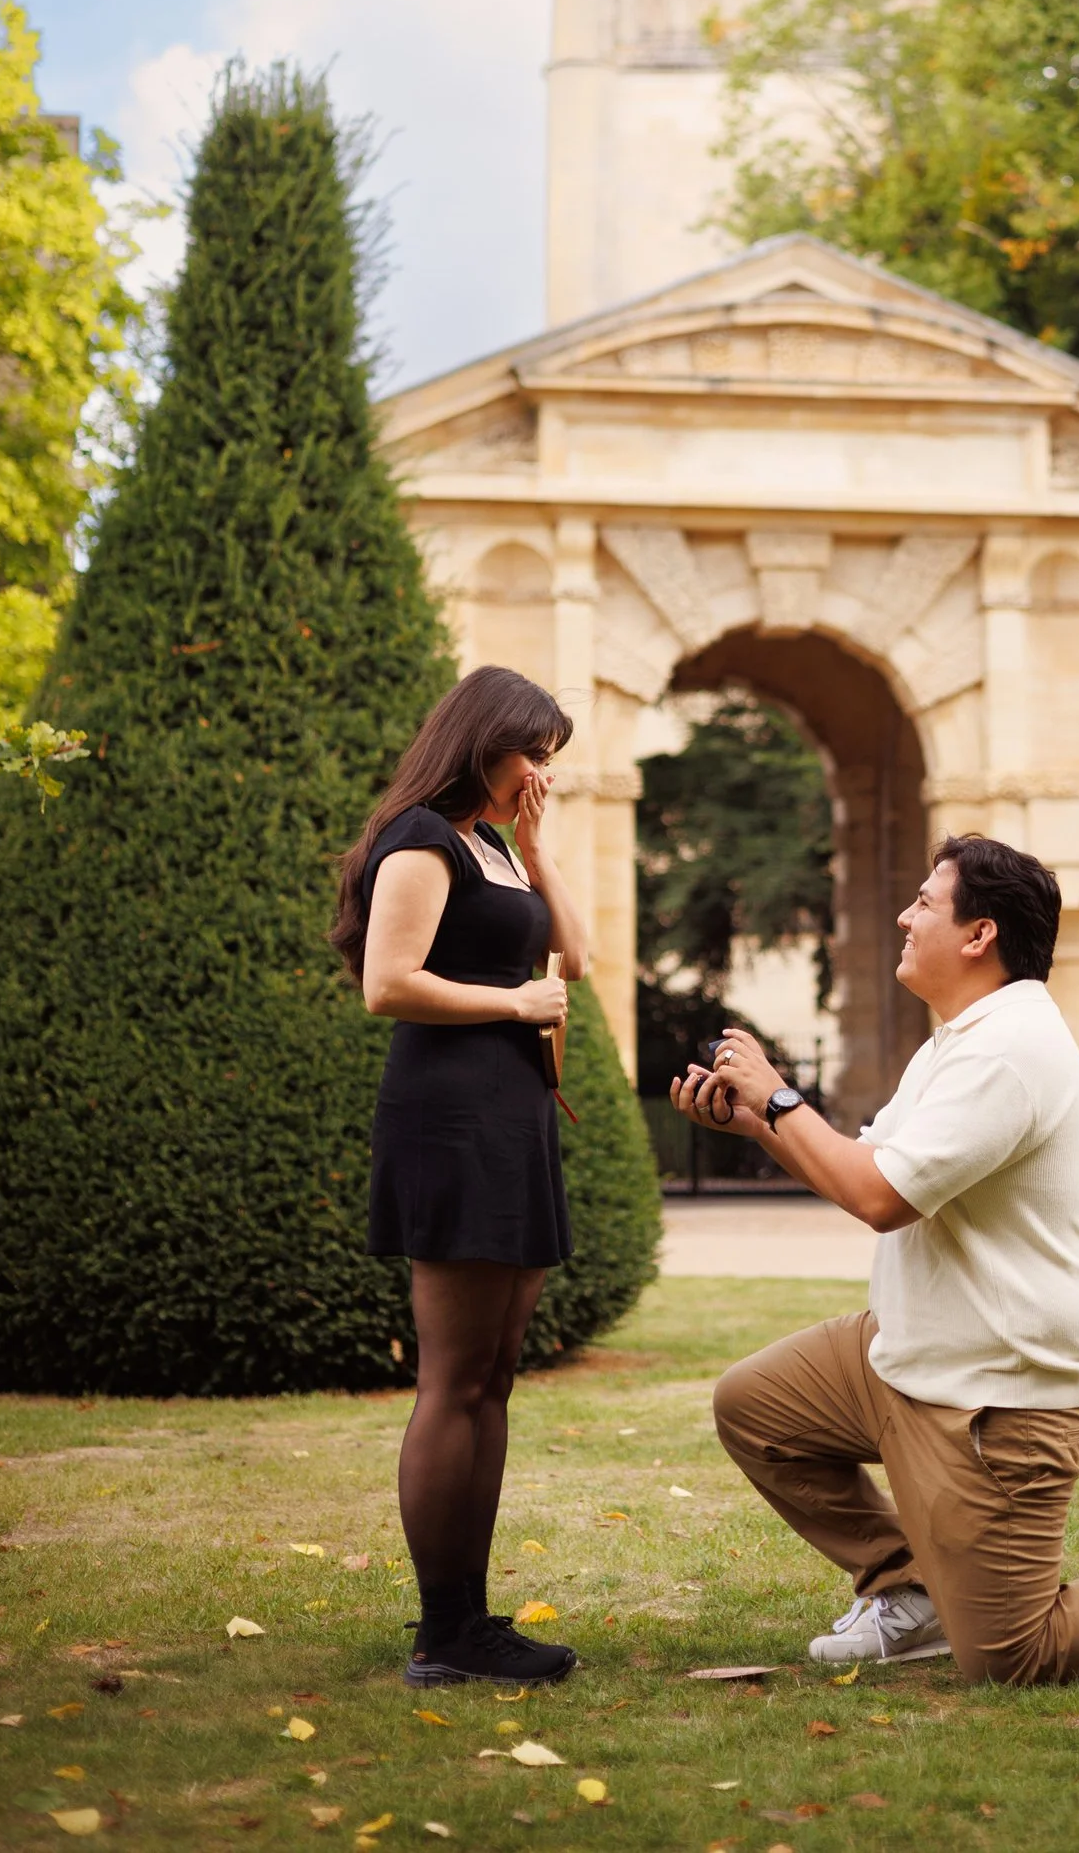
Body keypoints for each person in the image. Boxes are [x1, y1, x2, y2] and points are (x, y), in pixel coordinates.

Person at [671, 833, 1079, 1687]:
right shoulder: (960, 1039)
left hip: (999, 1395)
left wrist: (781, 1096)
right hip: (909, 1355)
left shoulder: (1011, 1052)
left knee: (1015, 1655)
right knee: (755, 1407)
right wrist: (759, 1123)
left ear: (980, 935)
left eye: (924, 904)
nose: (905, 918)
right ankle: (910, 1591)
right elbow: (864, 1165)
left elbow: (880, 1198)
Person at [332, 665, 590, 1689]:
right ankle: (445, 1632)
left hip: (511, 1115)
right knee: (454, 1379)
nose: (541, 773)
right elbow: (386, 983)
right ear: (482, 742)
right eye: (532, 753)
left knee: (493, 1378)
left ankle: (470, 1621)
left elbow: (578, 956)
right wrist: (515, 1005)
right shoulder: (422, 838)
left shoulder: (496, 846)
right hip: (452, 1119)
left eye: (551, 759)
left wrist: (538, 847)